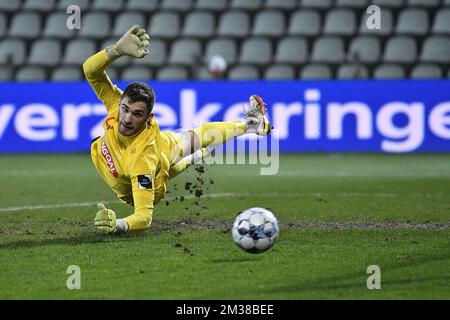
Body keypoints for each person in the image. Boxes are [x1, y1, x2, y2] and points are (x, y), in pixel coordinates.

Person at [83, 25, 272, 234]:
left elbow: (144, 217)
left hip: (141, 178)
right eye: (125, 109)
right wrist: (116, 50)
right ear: (120, 104)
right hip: (161, 146)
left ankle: (250, 125)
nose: (126, 118)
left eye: (137, 114)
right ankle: (245, 128)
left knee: (177, 157)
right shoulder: (116, 105)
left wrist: (119, 224)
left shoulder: (143, 160)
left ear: (149, 118)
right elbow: (90, 71)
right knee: (193, 140)